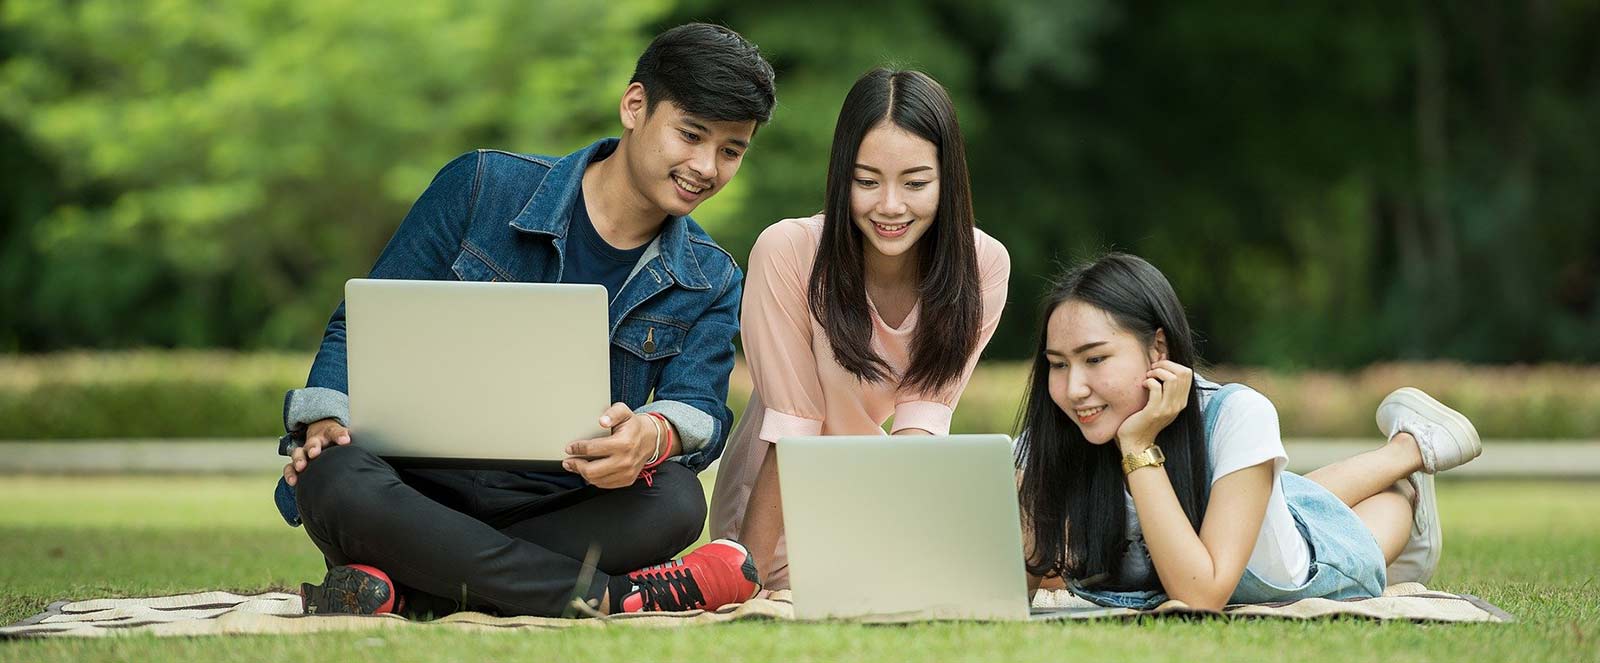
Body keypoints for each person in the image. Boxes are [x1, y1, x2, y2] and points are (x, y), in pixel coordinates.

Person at [272, 23, 775, 618]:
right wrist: (327, 417)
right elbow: (358, 327)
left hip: (561, 501)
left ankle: (409, 586)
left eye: (730, 150)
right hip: (409, 486)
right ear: (635, 106)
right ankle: (611, 597)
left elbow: (700, 408)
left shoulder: (711, 276)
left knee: (675, 501)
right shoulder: (480, 185)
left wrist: (652, 435)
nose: (706, 166)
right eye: (690, 135)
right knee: (331, 476)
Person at [1015, 253, 1483, 610]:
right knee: (1285, 495)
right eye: (1058, 364)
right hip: (1258, 506)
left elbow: (1200, 596)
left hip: (1301, 562)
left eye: (1095, 359)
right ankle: (1408, 446)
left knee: (1375, 512)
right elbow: (1016, 584)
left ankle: (1407, 462)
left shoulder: (1238, 414)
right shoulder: (1056, 435)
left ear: (1158, 348)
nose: (1074, 388)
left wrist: (1138, 446)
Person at [709, 68, 1012, 590]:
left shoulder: (982, 265)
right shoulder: (789, 252)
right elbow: (792, 430)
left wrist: (899, 547)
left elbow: (921, 427)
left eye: (915, 183)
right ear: (840, 175)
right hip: (773, 505)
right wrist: (747, 584)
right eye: (866, 181)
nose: (890, 206)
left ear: (948, 180)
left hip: (884, 487)